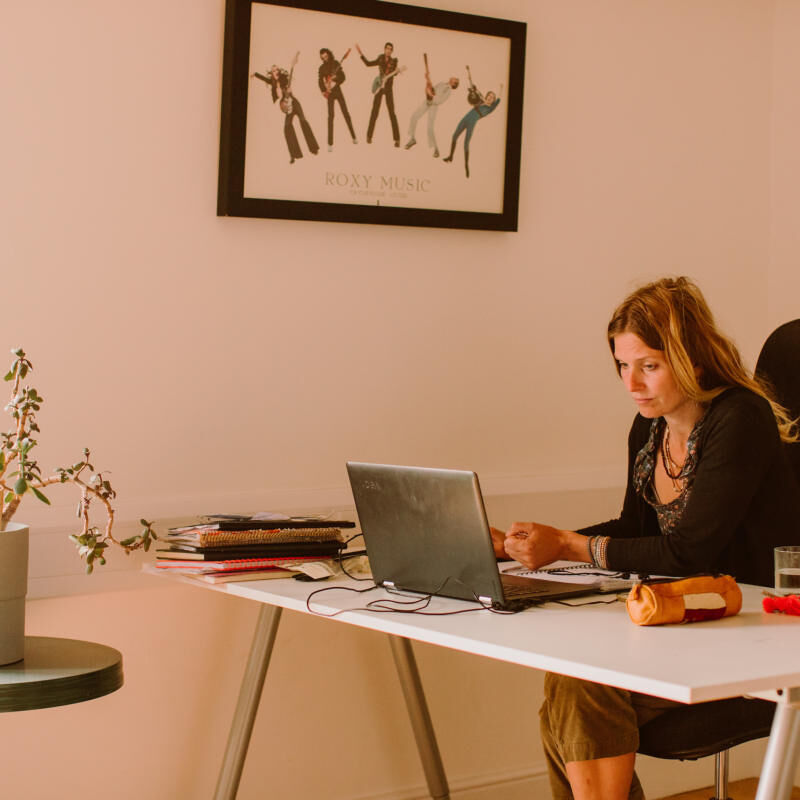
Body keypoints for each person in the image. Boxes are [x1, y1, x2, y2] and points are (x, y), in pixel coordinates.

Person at [490, 276, 800, 800]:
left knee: (577, 686)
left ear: (691, 359)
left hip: (755, 625)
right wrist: (521, 546)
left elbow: (687, 551)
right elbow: (636, 531)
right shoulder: (649, 427)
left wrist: (565, 545)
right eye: (622, 366)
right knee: (570, 685)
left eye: (648, 365)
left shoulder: (739, 418)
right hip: (687, 617)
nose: (632, 383)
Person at [252, 58, 319, 164]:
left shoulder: (284, 79)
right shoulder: (272, 83)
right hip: (286, 107)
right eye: (274, 70)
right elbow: (264, 79)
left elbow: (288, 86)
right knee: (287, 127)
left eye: (277, 70)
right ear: (272, 73)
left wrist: (289, 90)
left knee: (303, 121)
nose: (276, 72)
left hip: (294, 103)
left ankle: (314, 148)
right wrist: (254, 74)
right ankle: (294, 154)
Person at [442, 81, 501, 178]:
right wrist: (473, 88)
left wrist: (501, 89)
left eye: (492, 97)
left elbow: (498, 100)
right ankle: (450, 157)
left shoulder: (490, 109)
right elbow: (475, 93)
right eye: (489, 95)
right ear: (486, 96)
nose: (490, 97)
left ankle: (466, 165)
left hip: (471, 123)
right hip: (465, 118)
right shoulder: (481, 101)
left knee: (466, 143)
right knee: (454, 136)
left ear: (493, 100)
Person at [404, 55, 459, 158]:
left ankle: (436, 149)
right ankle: (412, 139)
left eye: (454, 79)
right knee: (414, 116)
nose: (453, 77)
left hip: (433, 106)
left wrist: (430, 95)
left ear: (454, 83)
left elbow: (438, 100)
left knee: (430, 128)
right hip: (427, 101)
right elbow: (432, 88)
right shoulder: (442, 83)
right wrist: (428, 80)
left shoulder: (448, 91)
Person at [356, 42, 403, 147]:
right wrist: (361, 54)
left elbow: (393, 73)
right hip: (379, 87)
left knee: (392, 113)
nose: (388, 50)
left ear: (392, 51)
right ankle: (369, 136)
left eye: (390, 49)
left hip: (388, 88)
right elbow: (368, 64)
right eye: (387, 48)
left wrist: (396, 72)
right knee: (374, 111)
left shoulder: (394, 61)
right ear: (384, 49)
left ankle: (397, 139)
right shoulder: (380, 58)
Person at [318, 47, 357, 152]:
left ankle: (354, 137)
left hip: (337, 91)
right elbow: (320, 81)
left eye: (326, 56)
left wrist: (336, 79)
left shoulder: (336, 63)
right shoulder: (321, 68)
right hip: (329, 93)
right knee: (330, 116)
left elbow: (343, 77)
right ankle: (330, 144)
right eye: (323, 57)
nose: (325, 59)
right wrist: (323, 91)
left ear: (329, 54)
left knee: (346, 113)